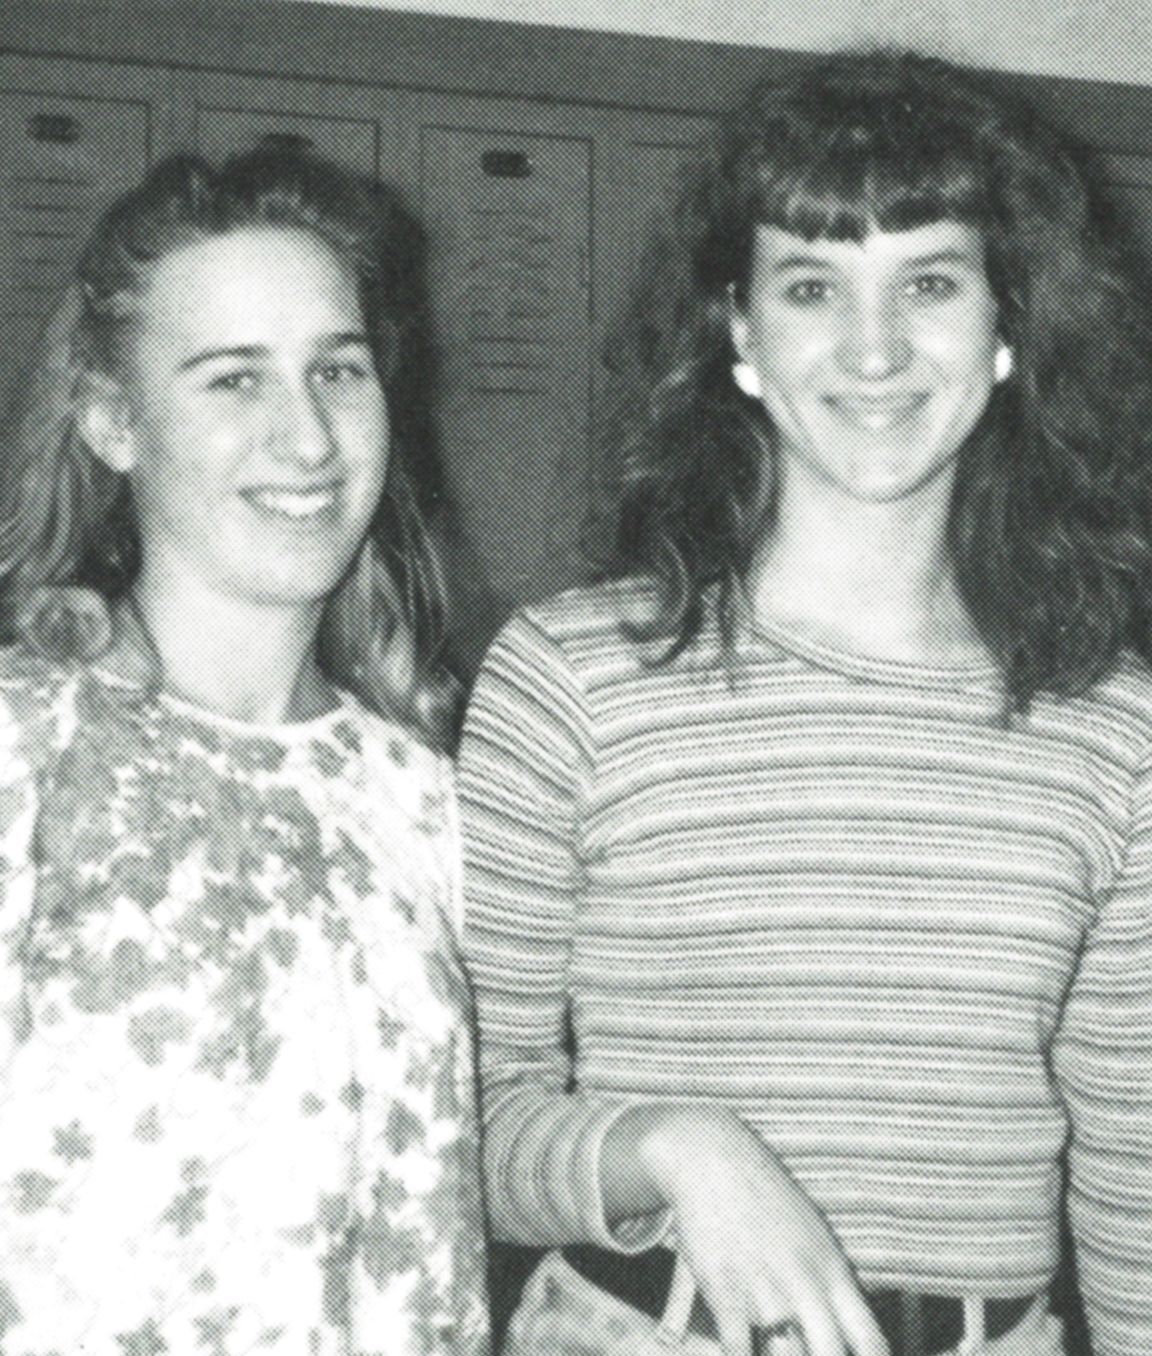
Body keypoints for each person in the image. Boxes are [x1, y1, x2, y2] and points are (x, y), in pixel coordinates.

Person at [458, 50, 1152, 1356]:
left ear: (1009, 329)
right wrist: (674, 1148)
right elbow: (460, 1127)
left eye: (931, 282)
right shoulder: (571, 680)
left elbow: (1134, 1164)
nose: (875, 348)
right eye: (813, 285)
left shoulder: (1111, 732)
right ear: (740, 330)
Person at [0, 147, 488, 1354]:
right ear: (113, 422)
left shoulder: (427, 796)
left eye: (339, 369)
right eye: (232, 381)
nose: (307, 436)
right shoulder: (28, 750)